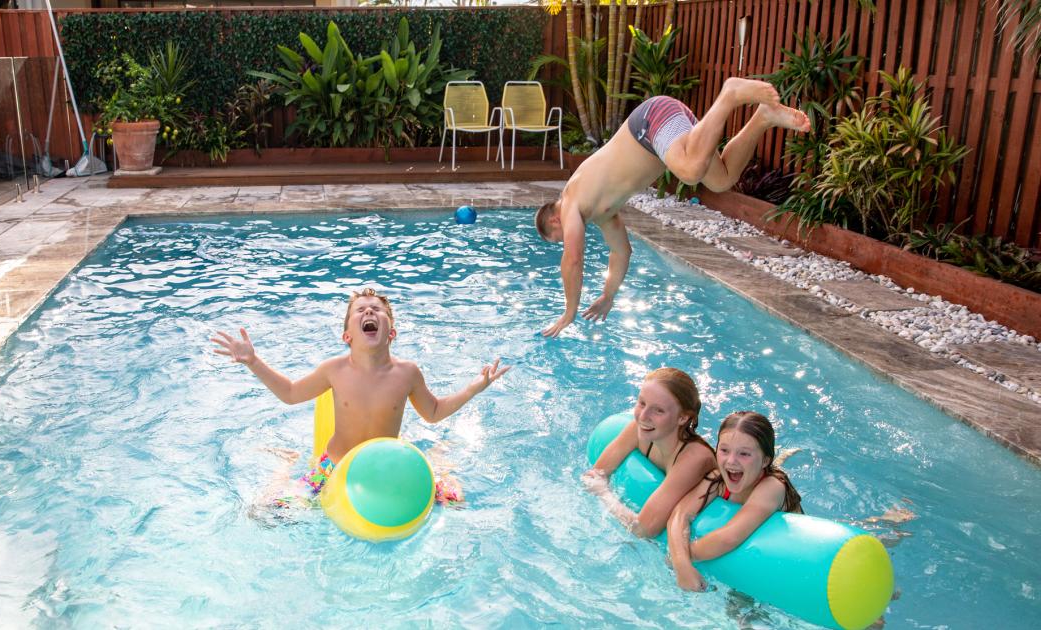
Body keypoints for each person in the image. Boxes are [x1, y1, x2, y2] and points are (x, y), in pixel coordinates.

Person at [534, 78, 811, 337]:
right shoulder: (601, 212)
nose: (567, 239)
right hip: (663, 134)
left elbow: (572, 259)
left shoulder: (570, 199)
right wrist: (608, 296)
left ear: (554, 221)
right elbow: (620, 251)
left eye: (558, 238)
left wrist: (568, 313)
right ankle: (763, 118)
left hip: (650, 123)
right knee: (722, 178)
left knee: (690, 171)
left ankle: (730, 93)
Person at [211, 288, 510, 509]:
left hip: (389, 466)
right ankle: (286, 464)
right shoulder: (334, 370)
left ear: (391, 332)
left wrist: (474, 387)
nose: (369, 312)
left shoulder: (407, 373)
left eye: (377, 309)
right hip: (334, 469)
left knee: (456, 504)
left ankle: (437, 461)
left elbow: (432, 412)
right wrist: (253, 361)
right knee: (265, 513)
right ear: (347, 336)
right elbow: (290, 393)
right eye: (361, 310)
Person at [667, 411, 803, 591]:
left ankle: (780, 459)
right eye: (724, 450)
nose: (731, 461)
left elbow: (729, 537)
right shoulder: (718, 479)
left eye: (744, 454)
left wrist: (681, 562)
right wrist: (681, 562)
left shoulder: (772, 487)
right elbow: (680, 514)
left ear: (765, 461)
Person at [582, 367, 716, 537]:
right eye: (642, 403)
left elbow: (644, 529)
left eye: (658, 410)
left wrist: (603, 493)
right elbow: (594, 474)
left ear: (682, 418)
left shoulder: (694, 459)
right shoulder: (640, 429)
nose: (643, 416)